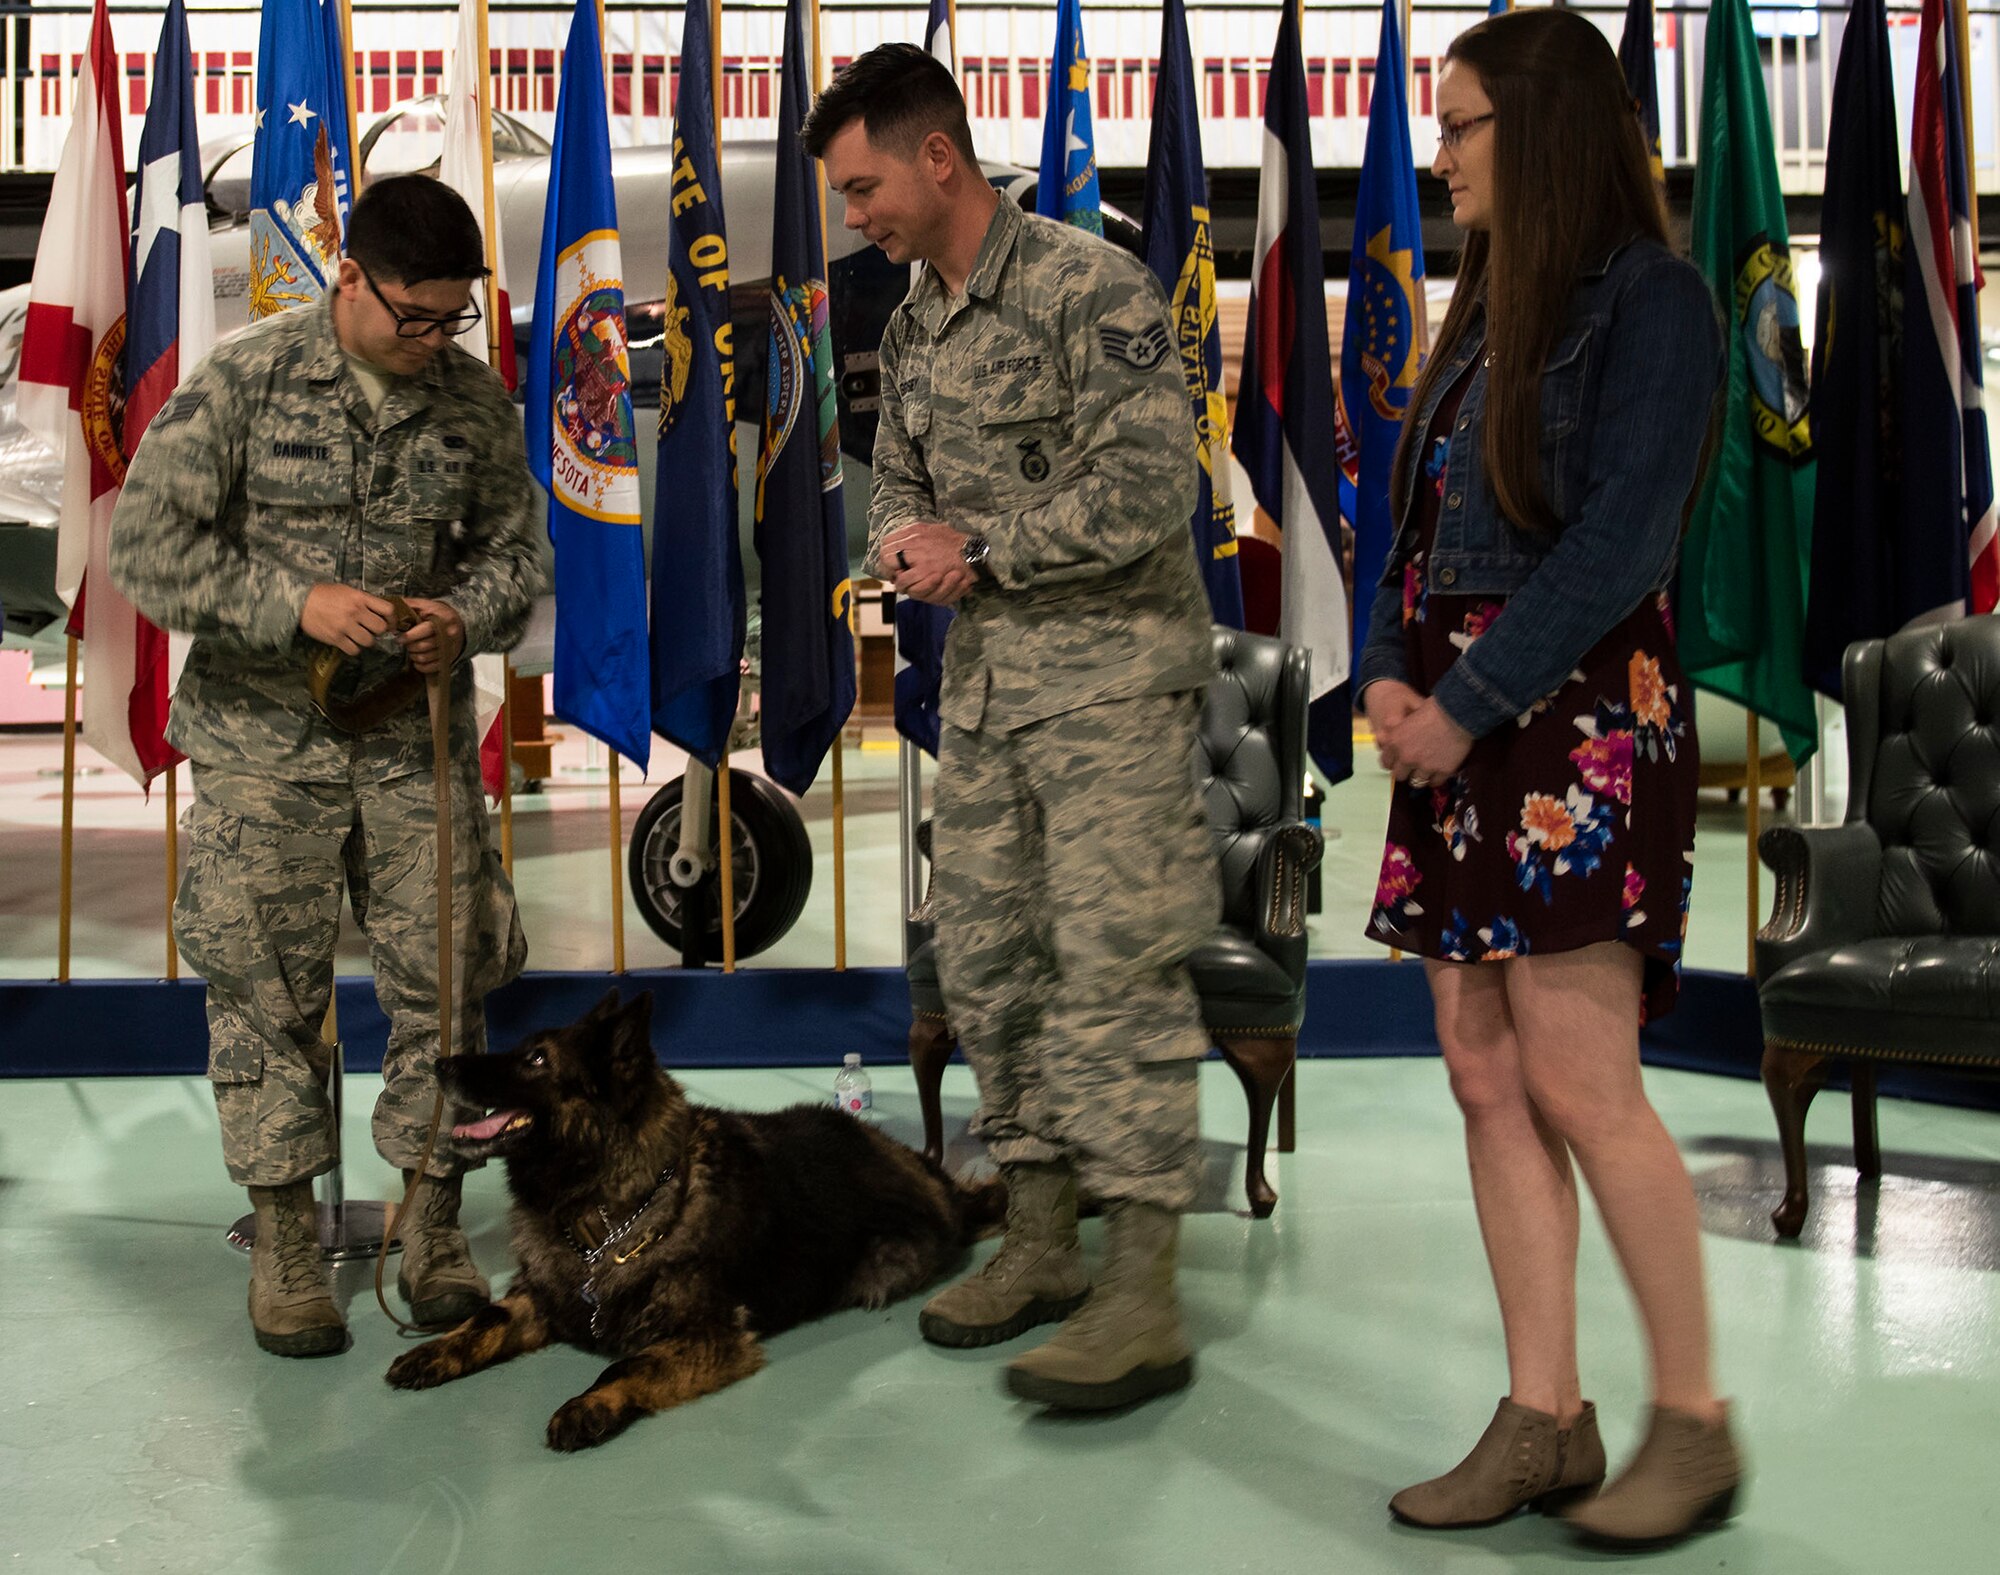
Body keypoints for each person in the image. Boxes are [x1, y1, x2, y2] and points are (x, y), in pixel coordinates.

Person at [1354, 9, 1742, 1550]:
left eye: (1461, 128)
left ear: (1547, 128)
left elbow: (1624, 543)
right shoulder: (1483, 309)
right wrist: (1389, 666)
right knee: (1484, 1066)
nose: (1439, 155)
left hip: (1568, 723)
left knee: (1585, 1078)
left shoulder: (1654, 302)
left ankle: (1695, 1422)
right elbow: (1409, 513)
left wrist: (1465, 696)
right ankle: (1547, 1417)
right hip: (1460, 723)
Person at [803, 43, 1221, 1412]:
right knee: (990, 963)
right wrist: (913, 547)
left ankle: (1142, 1285)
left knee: (1118, 970)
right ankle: (1040, 1238)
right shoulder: (913, 325)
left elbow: (1157, 483)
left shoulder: (1090, 284)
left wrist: (982, 547)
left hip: (1111, 694)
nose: (854, 215)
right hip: (985, 700)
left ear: (937, 157)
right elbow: (894, 492)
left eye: (864, 185)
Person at [110, 176, 539, 1358]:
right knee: (266, 1000)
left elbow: (518, 558)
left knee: (445, 990)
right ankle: (290, 1243)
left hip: (420, 751)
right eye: (411, 314)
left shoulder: (470, 401)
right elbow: (143, 547)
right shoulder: (245, 380)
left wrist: (464, 616)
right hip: (265, 758)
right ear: (348, 278)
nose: (430, 341)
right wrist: (293, 603)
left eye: (448, 318)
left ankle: (434, 1224)